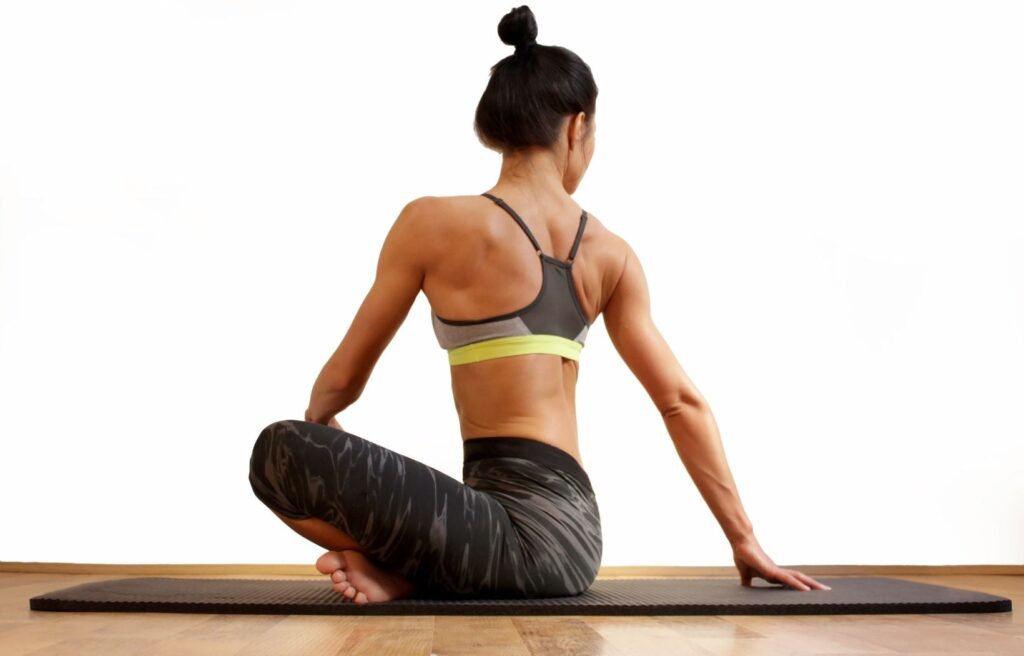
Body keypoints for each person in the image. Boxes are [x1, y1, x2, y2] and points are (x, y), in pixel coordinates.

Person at [248, 5, 831, 604]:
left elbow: (340, 382)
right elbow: (681, 402)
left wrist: (322, 430)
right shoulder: (611, 254)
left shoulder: (430, 224)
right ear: (577, 128)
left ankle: (404, 574)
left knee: (278, 452)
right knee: (456, 517)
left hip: (499, 536)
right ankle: (409, 575)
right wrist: (744, 539)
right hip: (571, 544)